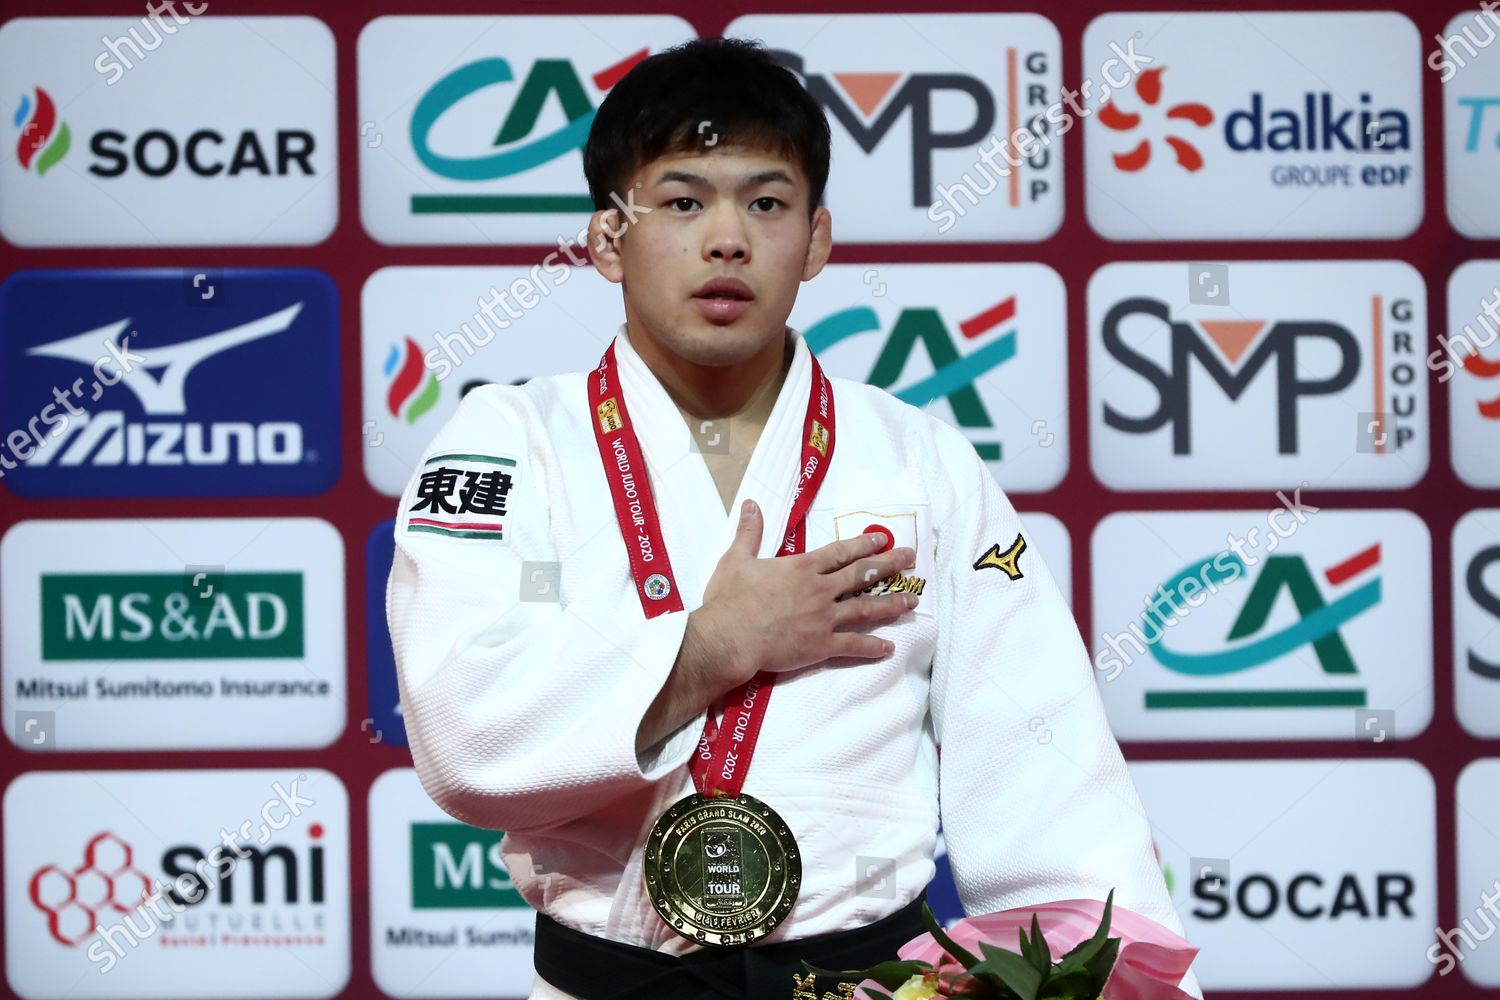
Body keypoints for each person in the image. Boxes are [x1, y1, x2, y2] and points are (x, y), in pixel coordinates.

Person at [387, 36, 1204, 1000]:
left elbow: (1040, 755)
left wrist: (1079, 972)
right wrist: (712, 647)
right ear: (608, 236)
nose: (726, 238)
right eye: (683, 201)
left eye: (765, 203)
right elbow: (463, 738)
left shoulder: (919, 459)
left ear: (817, 239)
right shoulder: (509, 441)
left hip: (872, 986)